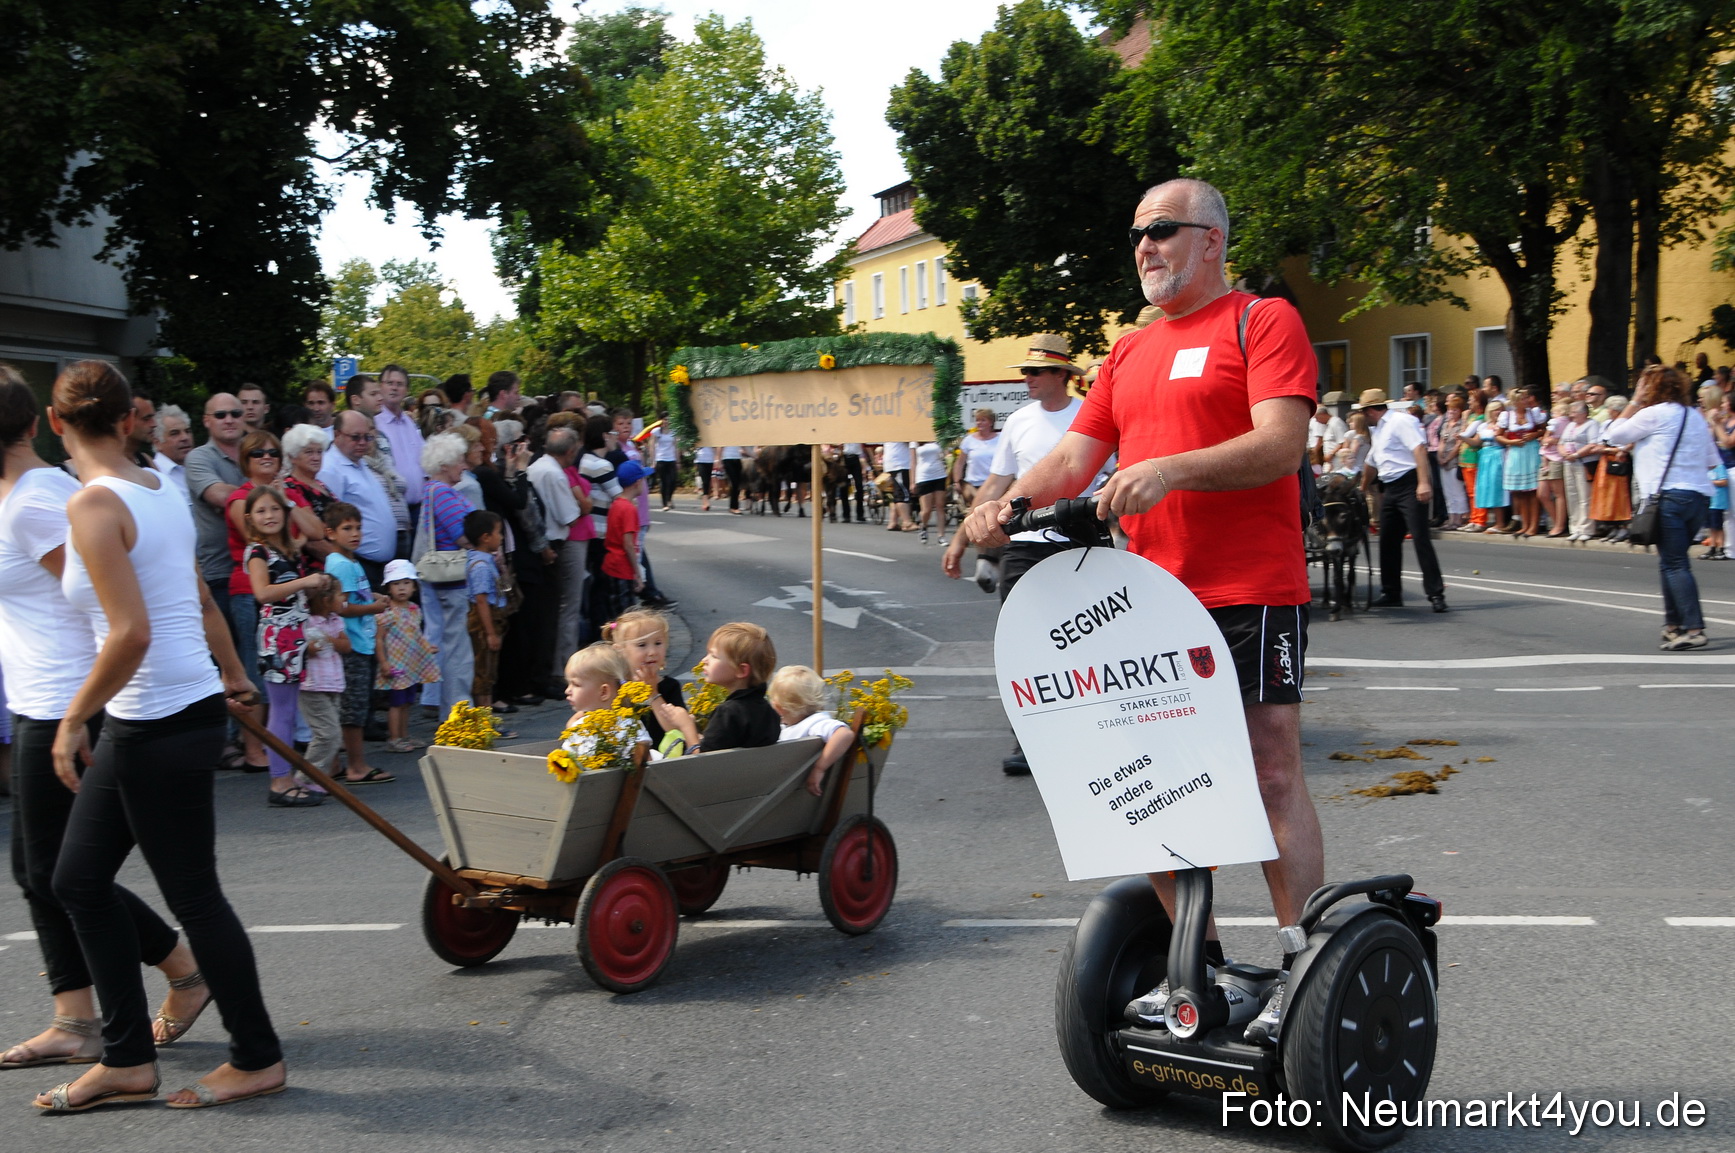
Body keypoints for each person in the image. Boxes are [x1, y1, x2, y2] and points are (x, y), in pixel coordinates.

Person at [965, 180, 1323, 1041]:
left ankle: (1298, 962)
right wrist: (999, 506)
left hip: (1249, 589)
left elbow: (1280, 443)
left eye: (1161, 230)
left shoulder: (1261, 320)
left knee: (1268, 772)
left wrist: (1169, 469)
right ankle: (1196, 968)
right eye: (1135, 234)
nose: (1144, 247)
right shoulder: (1128, 351)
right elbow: (1073, 459)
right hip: (1150, 597)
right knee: (1155, 785)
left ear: (1211, 240)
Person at [44, 360, 286, 1111]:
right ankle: (125, 1058)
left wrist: (72, 717)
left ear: (56, 424)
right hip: (161, 713)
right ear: (129, 420)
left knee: (194, 895)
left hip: (158, 718)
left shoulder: (94, 505)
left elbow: (132, 632)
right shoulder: (161, 486)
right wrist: (235, 670)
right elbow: (196, 598)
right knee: (77, 879)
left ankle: (257, 1055)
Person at [0, 367, 207, 1074]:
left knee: (63, 872)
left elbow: (88, 600)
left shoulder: (37, 501)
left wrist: (84, 712)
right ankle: (79, 1014)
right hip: (37, 695)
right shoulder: (24, 494)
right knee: (42, 868)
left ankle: (174, 973)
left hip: (66, 698)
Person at [941, 332, 1107, 775]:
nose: (1027, 379)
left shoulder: (1089, 416)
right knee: (1025, 644)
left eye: (1035, 371)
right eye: (1026, 372)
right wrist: (961, 538)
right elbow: (996, 487)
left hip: (1080, 542)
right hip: (1025, 546)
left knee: (1086, 641)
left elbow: (1117, 473)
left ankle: (1093, 733)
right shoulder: (1018, 421)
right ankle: (1030, 740)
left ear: (1061, 375)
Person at [1605, 364, 1720, 650]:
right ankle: (1672, 625)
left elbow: (1611, 435)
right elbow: (1711, 460)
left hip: (1667, 496)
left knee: (1675, 563)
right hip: (1698, 496)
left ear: (1650, 389)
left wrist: (1634, 402)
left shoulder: (1652, 413)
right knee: (1670, 561)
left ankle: (1694, 629)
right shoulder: (1694, 415)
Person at [240, 486, 327, 806]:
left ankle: (288, 775)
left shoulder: (289, 549)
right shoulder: (257, 552)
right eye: (261, 511)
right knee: (283, 710)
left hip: (296, 636)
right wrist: (305, 582)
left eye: (275, 509)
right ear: (250, 518)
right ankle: (280, 781)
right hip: (277, 638)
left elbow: (313, 530)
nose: (270, 516)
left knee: (290, 710)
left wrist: (290, 500)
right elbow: (262, 593)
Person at [1355, 389, 1447, 612]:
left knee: (1420, 539)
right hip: (1391, 488)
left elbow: (1419, 450)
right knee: (1388, 540)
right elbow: (1372, 462)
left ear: (1370, 410)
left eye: (1362, 411)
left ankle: (1436, 593)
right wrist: (1361, 489)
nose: (1361, 416)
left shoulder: (1401, 421)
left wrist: (1423, 483)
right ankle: (1391, 592)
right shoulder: (1380, 429)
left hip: (1410, 483)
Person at [321, 503, 391, 781]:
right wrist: (374, 609)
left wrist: (374, 597)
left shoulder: (348, 561)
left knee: (350, 706)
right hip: (353, 643)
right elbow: (343, 606)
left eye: (358, 528)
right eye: (347, 529)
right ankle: (356, 766)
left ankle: (338, 763)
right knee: (354, 710)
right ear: (330, 533)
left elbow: (355, 595)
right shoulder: (340, 563)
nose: (355, 534)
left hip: (359, 641)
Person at [418, 432, 479, 712]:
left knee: (447, 641)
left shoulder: (433, 490)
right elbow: (463, 535)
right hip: (450, 580)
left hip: (444, 579)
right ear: (444, 464)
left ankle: (448, 708)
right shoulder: (442, 491)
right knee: (457, 647)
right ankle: (458, 711)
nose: (464, 466)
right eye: (459, 461)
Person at [528, 426, 586, 690]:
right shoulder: (555, 473)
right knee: (565, 608)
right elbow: (570, 515)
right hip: (554, 541)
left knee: (552, 610)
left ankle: (551, 667)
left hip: (541, 542)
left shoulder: (537, 466)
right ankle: (561, 668)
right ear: (571, 451)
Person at [605, 609, 698, 757]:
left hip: (664, 759)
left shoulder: (669, 686)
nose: (652, 651)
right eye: (642, 645)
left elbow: (676, 731)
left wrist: (653, 692)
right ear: (620, 650)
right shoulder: (614, 686)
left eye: (658, 643)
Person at [317, 410, 396, 578]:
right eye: (355, 437)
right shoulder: (331, 469)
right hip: (358, 561)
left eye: (367, 437)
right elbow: (330, 519)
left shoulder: (359, 462)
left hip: (377, 564)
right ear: (337, 434)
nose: (362, 442)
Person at [373, 559, 440, 752]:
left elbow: (415, 634)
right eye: (396, 584)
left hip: (411, 664)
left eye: (406, 583)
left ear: (414, 586)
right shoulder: (386, 612)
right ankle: (394, 738)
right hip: (395, 665)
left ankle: (404, 735)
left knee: (408, 702)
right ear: (388, 587)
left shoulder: (414, 609)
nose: (401, 588)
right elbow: (378, 639)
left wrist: (427, 648)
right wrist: (383, 662)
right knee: (396, 703)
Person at [557, 644, 652, 770]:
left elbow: (645, 766)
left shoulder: (627, 727)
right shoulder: (579, 726)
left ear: (603, 692)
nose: (568, 690)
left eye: (576, 684)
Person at [768, 665, 854, 797]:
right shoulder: (790, 725)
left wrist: (819, 768)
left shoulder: (814, 723)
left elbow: (844, 734)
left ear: (779, 707)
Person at [694, 622, 780, 752]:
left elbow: (705, 762)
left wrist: (687, 727)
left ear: (741, 670)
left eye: (714, 656)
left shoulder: (728, 714)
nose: (704, 661)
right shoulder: (769, 713)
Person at [298, 582, 350, 781]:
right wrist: (311, 647)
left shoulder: (335, 620)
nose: (344, 599)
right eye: (340, 595)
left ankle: (320, 777)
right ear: (326, 600)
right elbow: (303, 649)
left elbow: (346, 646)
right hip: (313, 685)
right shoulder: (307, 622)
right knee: (328, 734)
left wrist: (328, 639)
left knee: (330, 734)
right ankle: (306, 779)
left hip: (334, 684)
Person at [463, 509, 512, 717]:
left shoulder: (485, 560)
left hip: (492, 617)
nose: (501, 538)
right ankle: (483, 721)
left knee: (489, 670)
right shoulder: (481, 566)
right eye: (498, 533)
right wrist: (490, 632)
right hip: (485, 621)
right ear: (485, 538)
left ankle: (486, 719)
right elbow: (481, 600)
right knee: (484, 671)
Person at [375, 364, 427, 524]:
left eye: (399, 384)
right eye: (389, 383)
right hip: (392, 511)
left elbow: (423, 460)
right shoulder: (374, 422)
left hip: (419, 508)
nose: (394, 388)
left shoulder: (409, 423)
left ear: (406, 390)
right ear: (380, 387)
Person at [600, 460, 649, 618]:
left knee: (614, 614)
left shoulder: (616, 504)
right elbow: (628, 544)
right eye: (643, 479)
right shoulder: (629, 509)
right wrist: (637, 574)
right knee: (626, 617)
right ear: (637, 482)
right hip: (622, 568)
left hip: (610, 564)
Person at [1497, 387, 1546, 536]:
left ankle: (1534, 525)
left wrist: (1534, 434)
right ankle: (1525, 525)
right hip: (1516, 452)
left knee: (1532, 491)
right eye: (1523, 399)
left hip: (1531, 451)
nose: (1526, 401)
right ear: (1515, 401)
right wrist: (1511, 442)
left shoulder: (1534, 413)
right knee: (1520, 492)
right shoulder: (1507, 415)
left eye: (1526, 398)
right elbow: (1498, 436)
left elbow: (1544, 430)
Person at [1556, 400, 1604, 541]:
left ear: (1583, 413)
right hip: (1568, 462)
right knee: (1572, 495)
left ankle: (1586, 529)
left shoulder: (1592, 424)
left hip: (1583, 462)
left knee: (1585, 496)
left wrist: (1576, 454)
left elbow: (1593, 444)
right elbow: (1561, 443)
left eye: (1574, 412)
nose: (1571, 415)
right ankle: (1575, 527)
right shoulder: (1571, 425)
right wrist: (1564, 453)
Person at [1590, 396, 1635, 540]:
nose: (1608, 411)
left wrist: (1608, 450)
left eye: (1609, 408)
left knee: (1621, 495)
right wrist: (1602, 449)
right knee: (1607, 496)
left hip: (1619, 461)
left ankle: (1624, 527)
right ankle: (1612, 526)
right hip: (1605, 463)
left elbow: (1628, 445)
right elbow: (1599, 443)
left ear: (1616, 410)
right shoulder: (1607, 424)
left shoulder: (1628, 424)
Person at [1473, 400, 1511, 532]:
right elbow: (1475, 441)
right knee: (1487, 487)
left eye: (1501, 409)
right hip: (1485, 457)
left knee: (1497, 487)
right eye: (1496, 409)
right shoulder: (1484, 426)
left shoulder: (1504, 426)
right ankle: (1496, 521)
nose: (1499, 412)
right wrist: (1461, 437)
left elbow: (1505, 440)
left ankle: (1500, 522)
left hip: (1498, 455)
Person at [1435, 391, 1469, 530]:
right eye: (1450, 410)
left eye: (1455, 410)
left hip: (1454, 461)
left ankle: (1459, 519)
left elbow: (1458, 445)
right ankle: (1451, 518)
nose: (1452, 412)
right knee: (1447, 491)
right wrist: (1439, 456)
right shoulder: (1446, 424)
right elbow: (1442, 442)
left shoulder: (1461, 425)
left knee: (1457, 491)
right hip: (1444, 461)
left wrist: (1448, 458)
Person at [912, 440, 948, 544]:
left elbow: (945, 453)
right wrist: (912, 481)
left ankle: (941, 536)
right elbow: (913, 462)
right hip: (923, 476)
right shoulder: (914, 441)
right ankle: (923, 526)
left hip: (939, 474)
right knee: (926, 509)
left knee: (940, 506)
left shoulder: (937, 438)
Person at [1306, 402, 1348, 476]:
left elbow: (1342, 442)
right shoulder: (1329, 424)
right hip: (1330, 460)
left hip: (1336, 460)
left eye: (1317, 418)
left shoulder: (1336, 423)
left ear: (1322, 415)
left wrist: (1331, 454)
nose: (1317, 421)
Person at [882, 439, 915, 531]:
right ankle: (907, 522)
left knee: (897, 492)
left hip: (895, 462)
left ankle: (893, 521)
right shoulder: (900, 428)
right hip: (900, 463)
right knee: (903, 494)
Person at [652, 417, 679, 510]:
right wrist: (653, 461)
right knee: (664, 482)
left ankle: (669, 499)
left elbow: (676, 446)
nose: (666, 421)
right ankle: (664, 503)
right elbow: (652, 446)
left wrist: (678, 460)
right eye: (664, 419)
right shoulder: (656, 431)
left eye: (668, 419)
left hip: (671, 459)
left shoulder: (674, 431)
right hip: (661, 459)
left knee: (673, 481)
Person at [721, 444, 746, 513]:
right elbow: (719, 446)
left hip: (738, 459)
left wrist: (755, 457)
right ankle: (734, 507)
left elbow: (744, 448)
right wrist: (718, 459)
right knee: (734, 482)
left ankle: (734, 506)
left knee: (737, 484)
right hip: (727, 458)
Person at [694, 444, 716, 512]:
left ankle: (706, 497)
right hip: (700, 459)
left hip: (710, 459)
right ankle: (705, 500)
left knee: (708, 480)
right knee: (705, 481)